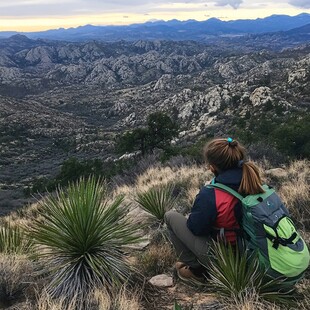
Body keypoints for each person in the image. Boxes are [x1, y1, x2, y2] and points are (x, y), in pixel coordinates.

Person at [164, 137, 265, 283]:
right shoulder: (254, 180)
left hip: (229, 259)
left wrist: (201, 203)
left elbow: (196, 228)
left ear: (212, 167)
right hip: (257, 252)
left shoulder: (211, 194)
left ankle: (197, 271)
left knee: (170, 216)